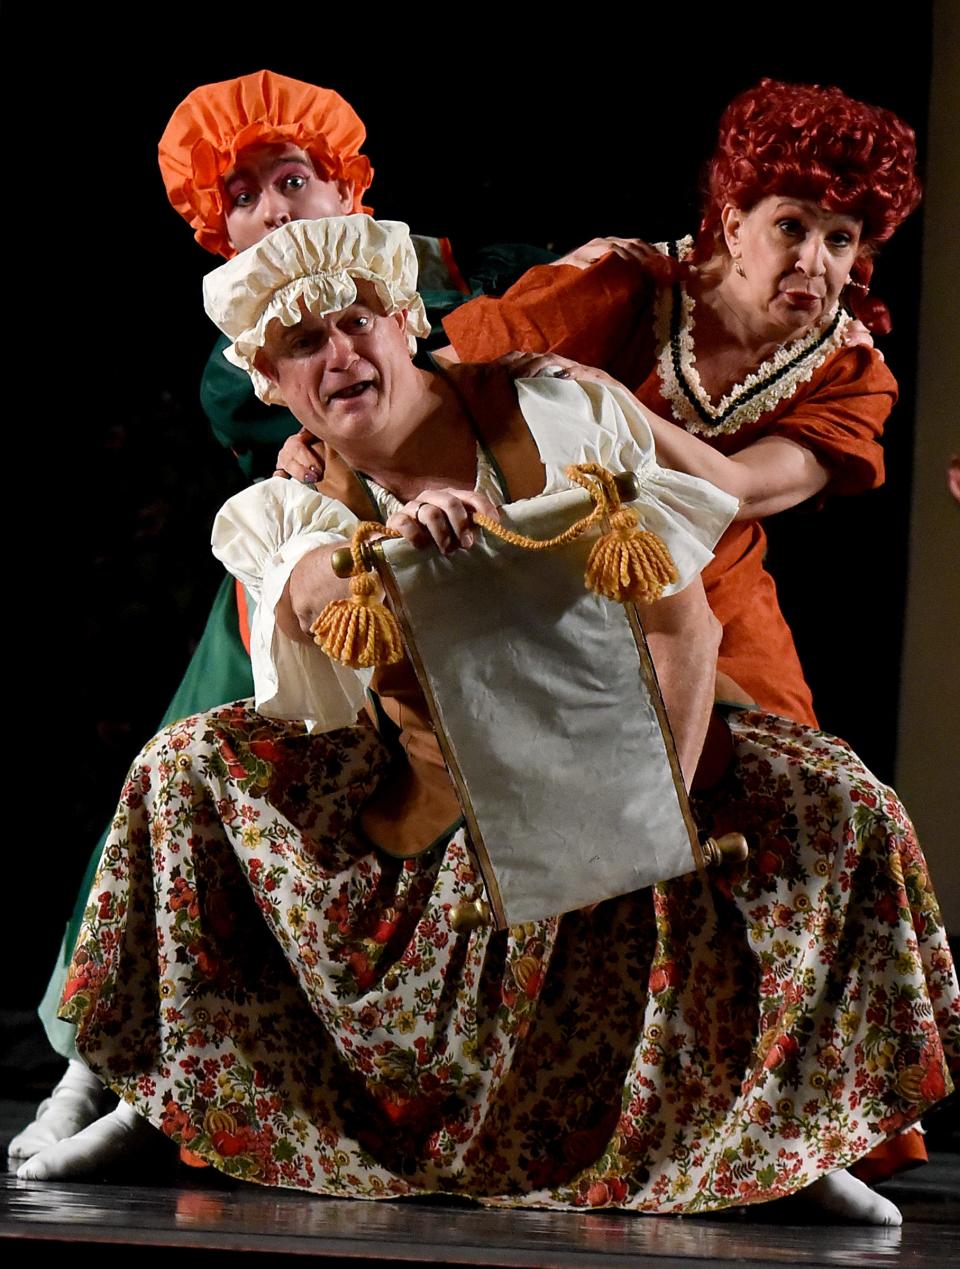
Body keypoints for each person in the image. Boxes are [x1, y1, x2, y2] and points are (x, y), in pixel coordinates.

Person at [19, 219, 957, 1227]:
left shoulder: (553, 410)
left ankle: (786, 1146)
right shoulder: (290, 499)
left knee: (841, 799)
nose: (341, 355)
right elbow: (316, 595)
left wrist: (653, 810)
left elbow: (679, 619)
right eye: (303, 344)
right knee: (184, 764)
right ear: (270, 382)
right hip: (440, 793)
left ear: (404, 321)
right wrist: (390, 550)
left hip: (624, 749)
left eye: (358, 320)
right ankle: (178, 1105)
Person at [11, 69, 553, 1165]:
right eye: (243, 197)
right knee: (194, 778)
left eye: (292, 179)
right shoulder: (237, 366)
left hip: (491, 587)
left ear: (346, 186)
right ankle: (92, 1061)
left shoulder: (449, 276)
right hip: (324, 579)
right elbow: (304, 486)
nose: (271, 210)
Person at [443, 77, 921, 732]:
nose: (813, 259)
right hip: (562, 555)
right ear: (733, 223)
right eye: (791, 226)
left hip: (717, 580)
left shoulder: (854, 376)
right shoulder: (627, 279)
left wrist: (612, 400)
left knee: (794, 769)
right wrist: (316, 441)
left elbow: (736, 492)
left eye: (839, 239)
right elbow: (444, 380)